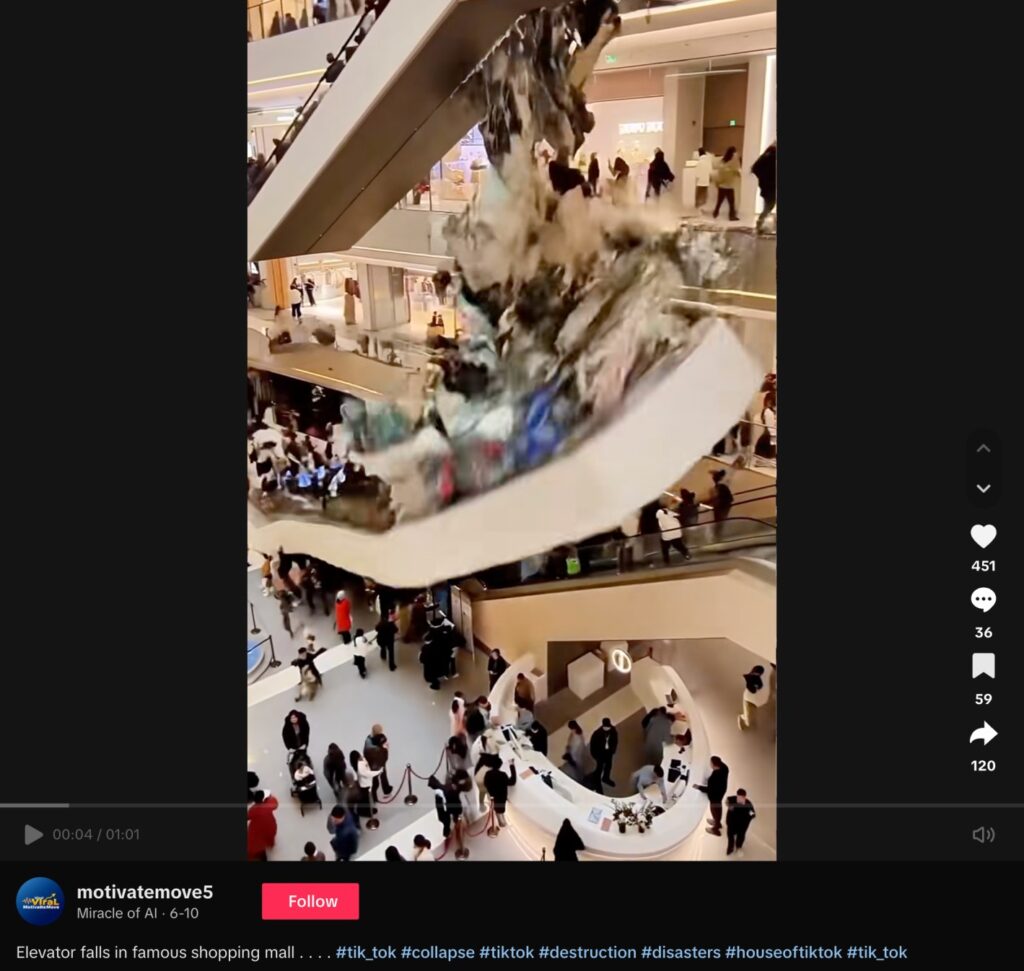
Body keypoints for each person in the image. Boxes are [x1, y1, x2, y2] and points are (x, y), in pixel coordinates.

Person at [479, 754, 517, 827]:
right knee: (501, 810)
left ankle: (501, 821)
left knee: (498, 809)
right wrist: (511, 765)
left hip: (492, 796)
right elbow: (512, 781)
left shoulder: (488, 774)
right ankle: (502, 823)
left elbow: (485, 783)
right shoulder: (502, 775)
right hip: (501, 797)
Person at [695, 756, 730, 836]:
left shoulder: (715, 777)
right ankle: (717, 822)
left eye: (710, 763)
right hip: (721, 791)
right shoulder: (724, 767)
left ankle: (715, 829)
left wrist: (699, 787)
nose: (710, 764)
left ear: (714, 765)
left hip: (715, 795)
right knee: (718, 808)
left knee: (714, 809)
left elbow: (710, 789)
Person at [291, 635, 328, 701]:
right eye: (302, 654)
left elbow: (315, 655)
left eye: (304, 653)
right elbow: (298, 666)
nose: (304, 654)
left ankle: (319, 683)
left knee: (316, 675)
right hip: (304, 672)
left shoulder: (308, 655)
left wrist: (321, 650)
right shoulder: (300, 660)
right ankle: (300, 696)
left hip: (312, 669)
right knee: (304, 685)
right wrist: (294, 663)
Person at [751, 141, 776, 232]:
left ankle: (761, 224)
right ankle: (760, 224)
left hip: (768, 186)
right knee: (769, 206)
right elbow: (755, 169)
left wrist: (763, 179)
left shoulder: (766, 156)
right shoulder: (771, 157)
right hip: (771, 186)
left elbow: (754, 168)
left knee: (768, 206)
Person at [247, 789, 278, 861]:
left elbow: (248, 817)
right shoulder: (268, 805)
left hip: (258, 831)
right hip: (271, 826)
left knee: (253, 845)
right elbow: (274, 802)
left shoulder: (253, 810)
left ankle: (257, 854)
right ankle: (268, 845)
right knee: (267, 837)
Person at [350, 750, 382, 818]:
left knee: (365, 799)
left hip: (364, 784)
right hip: (364, 785)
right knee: (365, 800)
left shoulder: (359, 763)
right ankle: (365, 812)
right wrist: (378, 772)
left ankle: (367, 810)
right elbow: (367, 773)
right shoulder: (359, 768)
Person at [363, 725, 393, 798]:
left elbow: (365, 752)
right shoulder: (382, 740)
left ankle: (374, 795)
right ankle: (386, 791)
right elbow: (385, 751)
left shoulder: (368, 740)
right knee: (382, 777)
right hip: (379, 763)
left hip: (372, 764)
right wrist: (384, 756)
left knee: (375, 778)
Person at [563, 720, 595, 785]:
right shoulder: (577, 734)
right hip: (577, 756)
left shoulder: (577, 738)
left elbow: (574, 749)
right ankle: (582, 778)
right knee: (579, 768)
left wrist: (570, 757)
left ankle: (581, 780)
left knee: (578, 769)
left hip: (576, 757)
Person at [712, 146, 741, 221]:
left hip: (722, 185)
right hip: (729, 186)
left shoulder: (723, 161)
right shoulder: (733, 162)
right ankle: (731, 216)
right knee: (731, 203)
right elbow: (736, 171)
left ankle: (715, 213)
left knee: (719, 201)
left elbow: (720, 171)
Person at [589, 718, 619, 787]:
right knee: (600, 767)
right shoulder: (597, 733)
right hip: (600, 753)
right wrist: (596, 756)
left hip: (609, 752)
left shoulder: (613, 730)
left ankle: (605, 778)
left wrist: (613, 750)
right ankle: (597, 781)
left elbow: (615, 740)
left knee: (608, 765)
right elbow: (593, 745)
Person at [726, 789, 756, 856]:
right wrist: (728, 821)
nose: (741, 799)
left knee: (741, 836)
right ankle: (730, 847)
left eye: (743, 797)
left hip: (742, 825)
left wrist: (748, 818)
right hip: (732, 823)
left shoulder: (748, 804)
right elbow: (728, 805)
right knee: (730, 836)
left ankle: (738, 847)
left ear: (745, 796)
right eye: (739, 797)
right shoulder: (732, 800)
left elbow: (752, 814)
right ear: (737, 795)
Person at [738, 664, 768, 730]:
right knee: (748, 719)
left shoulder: (757, 678)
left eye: (759, 673)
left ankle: (746, 719)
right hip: (748, 698)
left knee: (752, 716)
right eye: (758, 672)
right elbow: (751, 689)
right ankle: (741, 717)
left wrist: (756, 687)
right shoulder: (747, 677)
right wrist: (755, 687)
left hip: (754, 700)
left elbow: (760, 686)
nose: (758, 674)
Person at [708, 468, 734, 539]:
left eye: (713, 476)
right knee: (720, 522)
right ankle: (718, 535)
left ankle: (718, 536)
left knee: (719, 522)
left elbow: (716, 498)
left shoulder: (719, 486)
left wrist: (704, 502)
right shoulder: (722, 485)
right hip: (724, 505)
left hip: (722, 506)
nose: (712, 478)